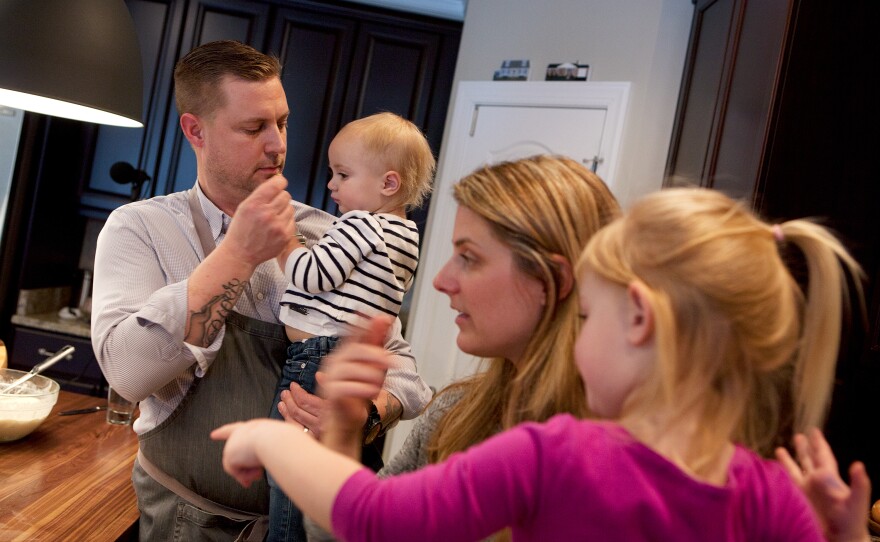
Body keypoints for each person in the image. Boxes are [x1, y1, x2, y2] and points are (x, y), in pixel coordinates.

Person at [212, 186, 871, 541]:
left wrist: (268, 436)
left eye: (590, 317)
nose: (444, 280)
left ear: (639, 318)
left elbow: (376, 520)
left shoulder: (554, 456)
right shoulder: (773, 495)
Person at [90, 40, 432, 541]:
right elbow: (128, 373)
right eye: (254, 128)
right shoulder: (139, 229)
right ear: (195, 130)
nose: (278, 144)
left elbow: (405, 371)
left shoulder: (329, 233)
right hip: (186, 522)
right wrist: (239, 253)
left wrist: (372, 411)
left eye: (283, 123)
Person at [268, 111, 435, 539]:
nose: (331, 185)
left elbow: (309, 274)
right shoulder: (405, 235)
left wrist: (285, 239)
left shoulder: (361, 223)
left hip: (316, 360)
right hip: (348, 358)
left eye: (343, 174)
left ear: (388, 184)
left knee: (289, 472)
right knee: (320, 473)